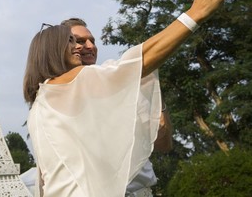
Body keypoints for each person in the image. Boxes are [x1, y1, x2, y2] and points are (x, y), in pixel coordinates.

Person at [23, 0, 232, 197]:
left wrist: (148, 89)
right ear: (52, 51)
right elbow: (138, 59)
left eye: (91, 40)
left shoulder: (43, 102)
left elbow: (163, 141)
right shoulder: (69, 84)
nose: (86, 47)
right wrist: (197, 11)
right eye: (73, 42)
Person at [60, 17, 172, 197]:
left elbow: (164, 144)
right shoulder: (52, 97)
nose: (90, 46)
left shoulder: (120, 79)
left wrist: (157, 101)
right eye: (80, 41)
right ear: (61, 47)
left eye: (92, 41)